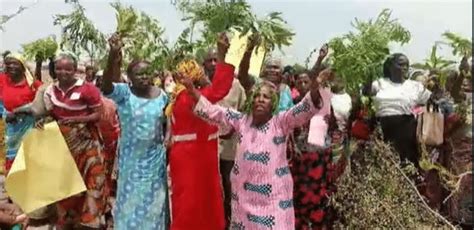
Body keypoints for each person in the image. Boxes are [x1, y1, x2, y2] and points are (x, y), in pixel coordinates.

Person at [178, 56, 325, 228]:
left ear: (273, 104)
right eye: (256, 96)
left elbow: (303, 109)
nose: (260, 99)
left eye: (266, 97)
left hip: (273, 202)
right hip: (243, 203)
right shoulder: (241, 121)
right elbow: (213, 111)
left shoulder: (281, 123)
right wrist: (190, 89)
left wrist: (315, 88)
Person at [165, 33, 234, 230]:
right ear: (194, 75)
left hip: (189, 154)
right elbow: (220, 90)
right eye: (201, 71)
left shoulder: (178, 97)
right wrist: (222, 54)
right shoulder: (191, 97)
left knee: (190, 201)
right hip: (197, 156)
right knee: (199, 202)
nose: (205, 73)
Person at [102, 34, 169, 230]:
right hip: (131, 160)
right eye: (139, 74)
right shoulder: (124, 93)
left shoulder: (162, 96)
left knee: (155, 203)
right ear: (130, 77)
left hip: (155, 159)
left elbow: (167, 120)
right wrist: (112, 54)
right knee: (129, 201)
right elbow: (106, 86)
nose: (144, 77)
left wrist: (168, 137)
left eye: (147, 73)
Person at [43, 52, 106, 229]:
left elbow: (98, 114)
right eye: (59, 68)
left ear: (74, 70)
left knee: (91, 178)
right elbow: (51, 115)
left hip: (86, 143)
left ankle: (89, 220)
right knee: (66, 182)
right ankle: (67, 218)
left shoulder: (87, 89)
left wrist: (80, 120)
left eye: (68, 69)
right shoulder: (51, 90)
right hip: (63, 144)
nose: (63, 72)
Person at [371, 53, 431, 167]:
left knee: (407, 166)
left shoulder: (415, 86)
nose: (404, 68)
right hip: (383, 130)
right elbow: (367, 92)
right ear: (390, 66)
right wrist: (367, 80)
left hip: (407, 133)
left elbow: (432, 99)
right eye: (401, 64)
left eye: (406, 65)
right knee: (385, 165)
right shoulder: (379, 83)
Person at [0, 53, 42, 173]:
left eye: (15, 63)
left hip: (29, 127)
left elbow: (42, 103)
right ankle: (13, 187)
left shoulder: (33, 84)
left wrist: (20, 112)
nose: (11, 66)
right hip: (11, 127)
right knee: (12, 158)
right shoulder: (2, 80)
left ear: (22, 66)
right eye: (8, 64)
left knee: (28, 159)